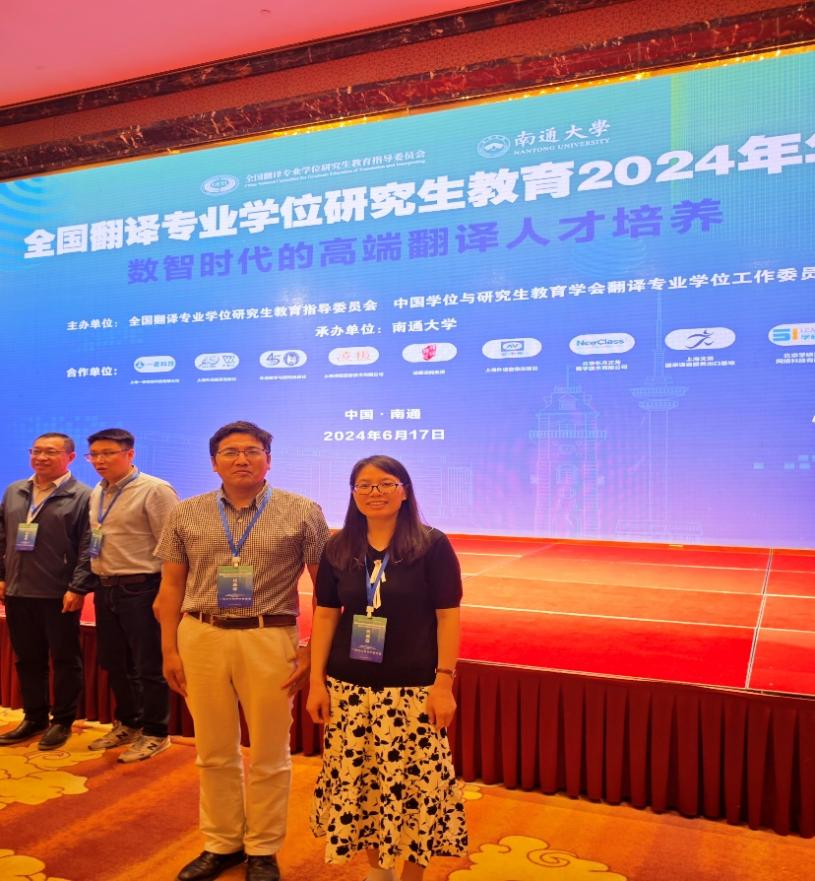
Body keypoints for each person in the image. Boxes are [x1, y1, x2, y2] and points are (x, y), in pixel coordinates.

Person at [155, 421, 330, 881]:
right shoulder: (186, 513)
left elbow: (327, 592)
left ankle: (263, 849)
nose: (242, 459)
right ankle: (222, 843)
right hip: (201, 635)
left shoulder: (303, 511)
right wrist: (169, 649)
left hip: (269, 637)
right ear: (214, 462)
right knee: (213, 750)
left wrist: (311, 650)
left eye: (252, 451)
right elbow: (170, 588)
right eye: (230, 452)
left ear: (268, 460)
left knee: (271, 752)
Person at [307, 455, 467, 881]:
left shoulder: (431, 545)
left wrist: (444, 683)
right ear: (353, 493)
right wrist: (316, 682)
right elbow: (326, 615)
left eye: (385, 483)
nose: (374, 492)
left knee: (417, 788)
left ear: (405, 491)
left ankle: (412, 876)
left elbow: (448, 616)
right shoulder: (338, 548)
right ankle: (380, 873)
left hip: (413, 690)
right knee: (364, 786)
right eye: (364, 485)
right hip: (350, 690)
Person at [84, 428, 179, 762]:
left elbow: (173, 546)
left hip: (142, 588)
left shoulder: (155, 490)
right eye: (94, 454)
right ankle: (128, 723)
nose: (100, 460)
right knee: (115, 663)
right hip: (105, 587)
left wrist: (166, 594)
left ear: (130, 454)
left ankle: (156, 732)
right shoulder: (98, 491)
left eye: (108, 453)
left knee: (148, 664)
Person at [0, 433, 96, 751]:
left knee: (65, 660)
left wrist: (78, 587)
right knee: (28, 660)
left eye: (50, 452)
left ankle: (62, 721)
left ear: (70, 457)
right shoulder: (15, 490)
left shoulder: (83, 496)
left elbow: (88, 546)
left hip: (59, 593)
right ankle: (34, 717)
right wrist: (1, 576)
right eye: (36, 451)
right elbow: (2, 536)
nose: (41, 457)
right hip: (18, 591)